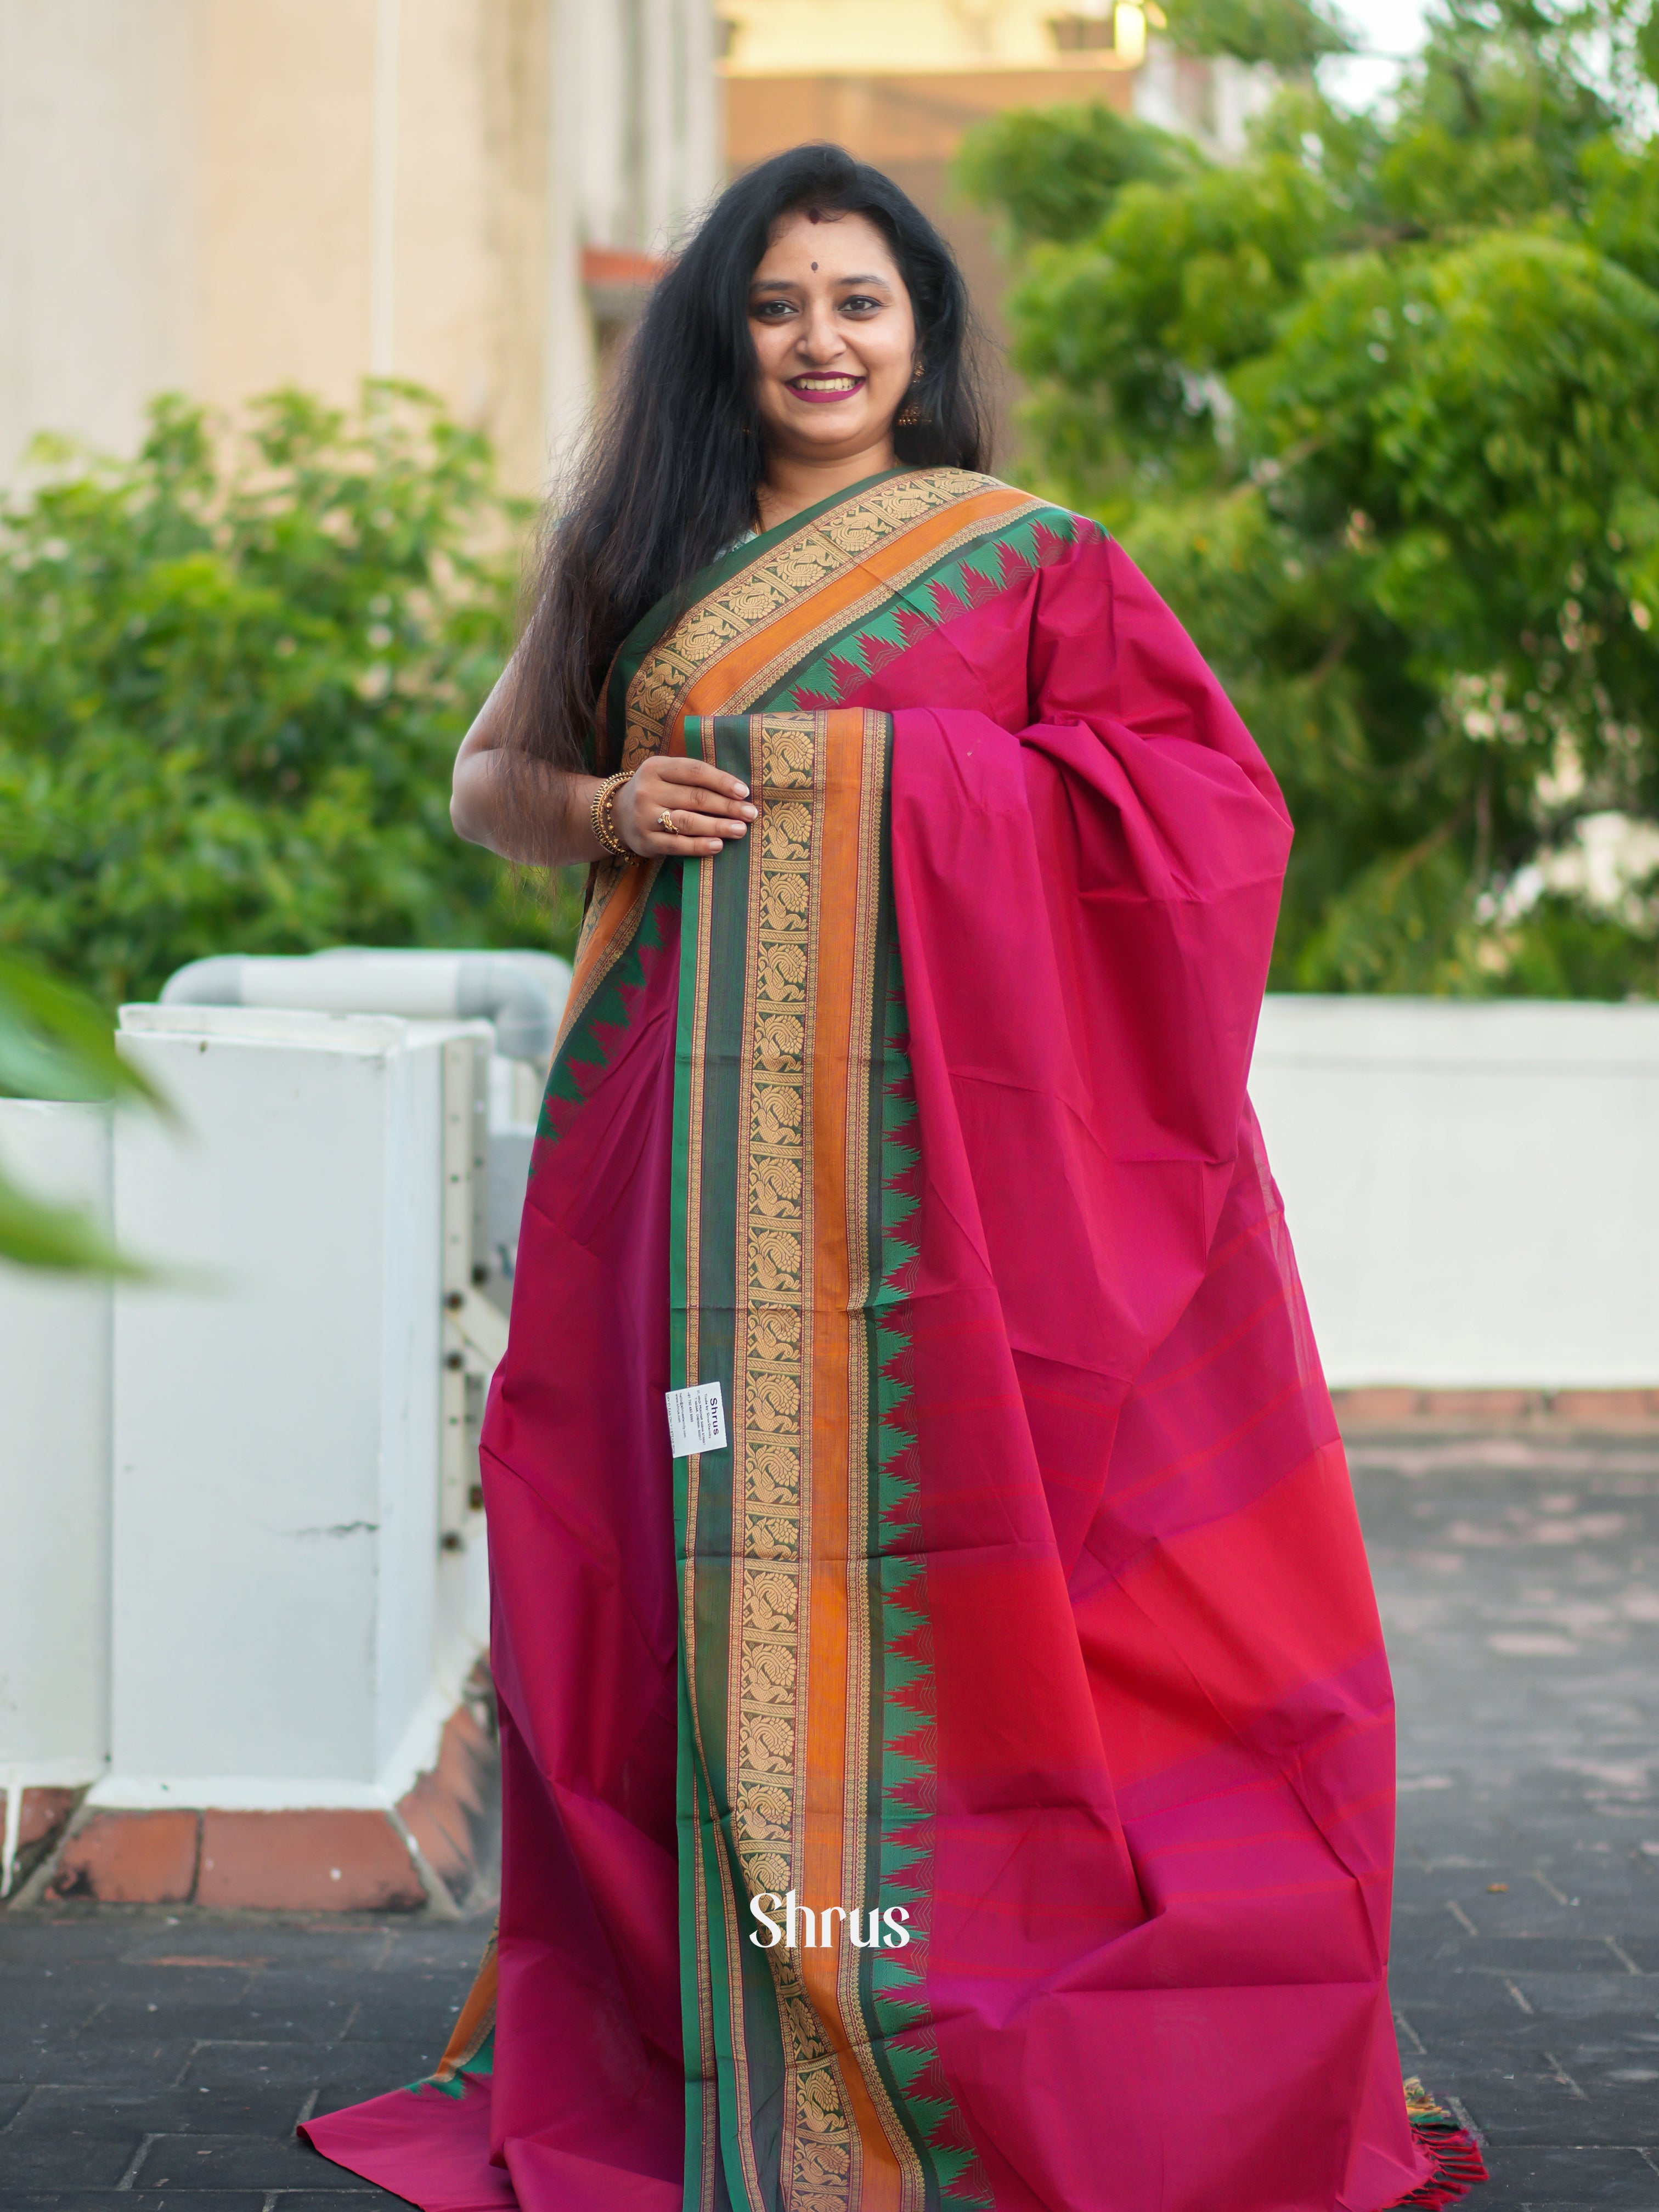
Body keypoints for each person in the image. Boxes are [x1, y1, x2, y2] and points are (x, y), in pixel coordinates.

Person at [303, 145, 1487, 2212]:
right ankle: (732, 2028)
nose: (820, 341)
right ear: (723, 336)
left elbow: (1204, 816)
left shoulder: (1026, 561)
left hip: (955, 1206)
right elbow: (490, 780)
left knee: (988, 1569)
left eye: (859, 301)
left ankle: (935, 2006)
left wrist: (857, 781)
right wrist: (603, 795)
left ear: (920, 330)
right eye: (777, 306)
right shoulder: (640, 541)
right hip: (676, 1178)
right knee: (659, 1566)